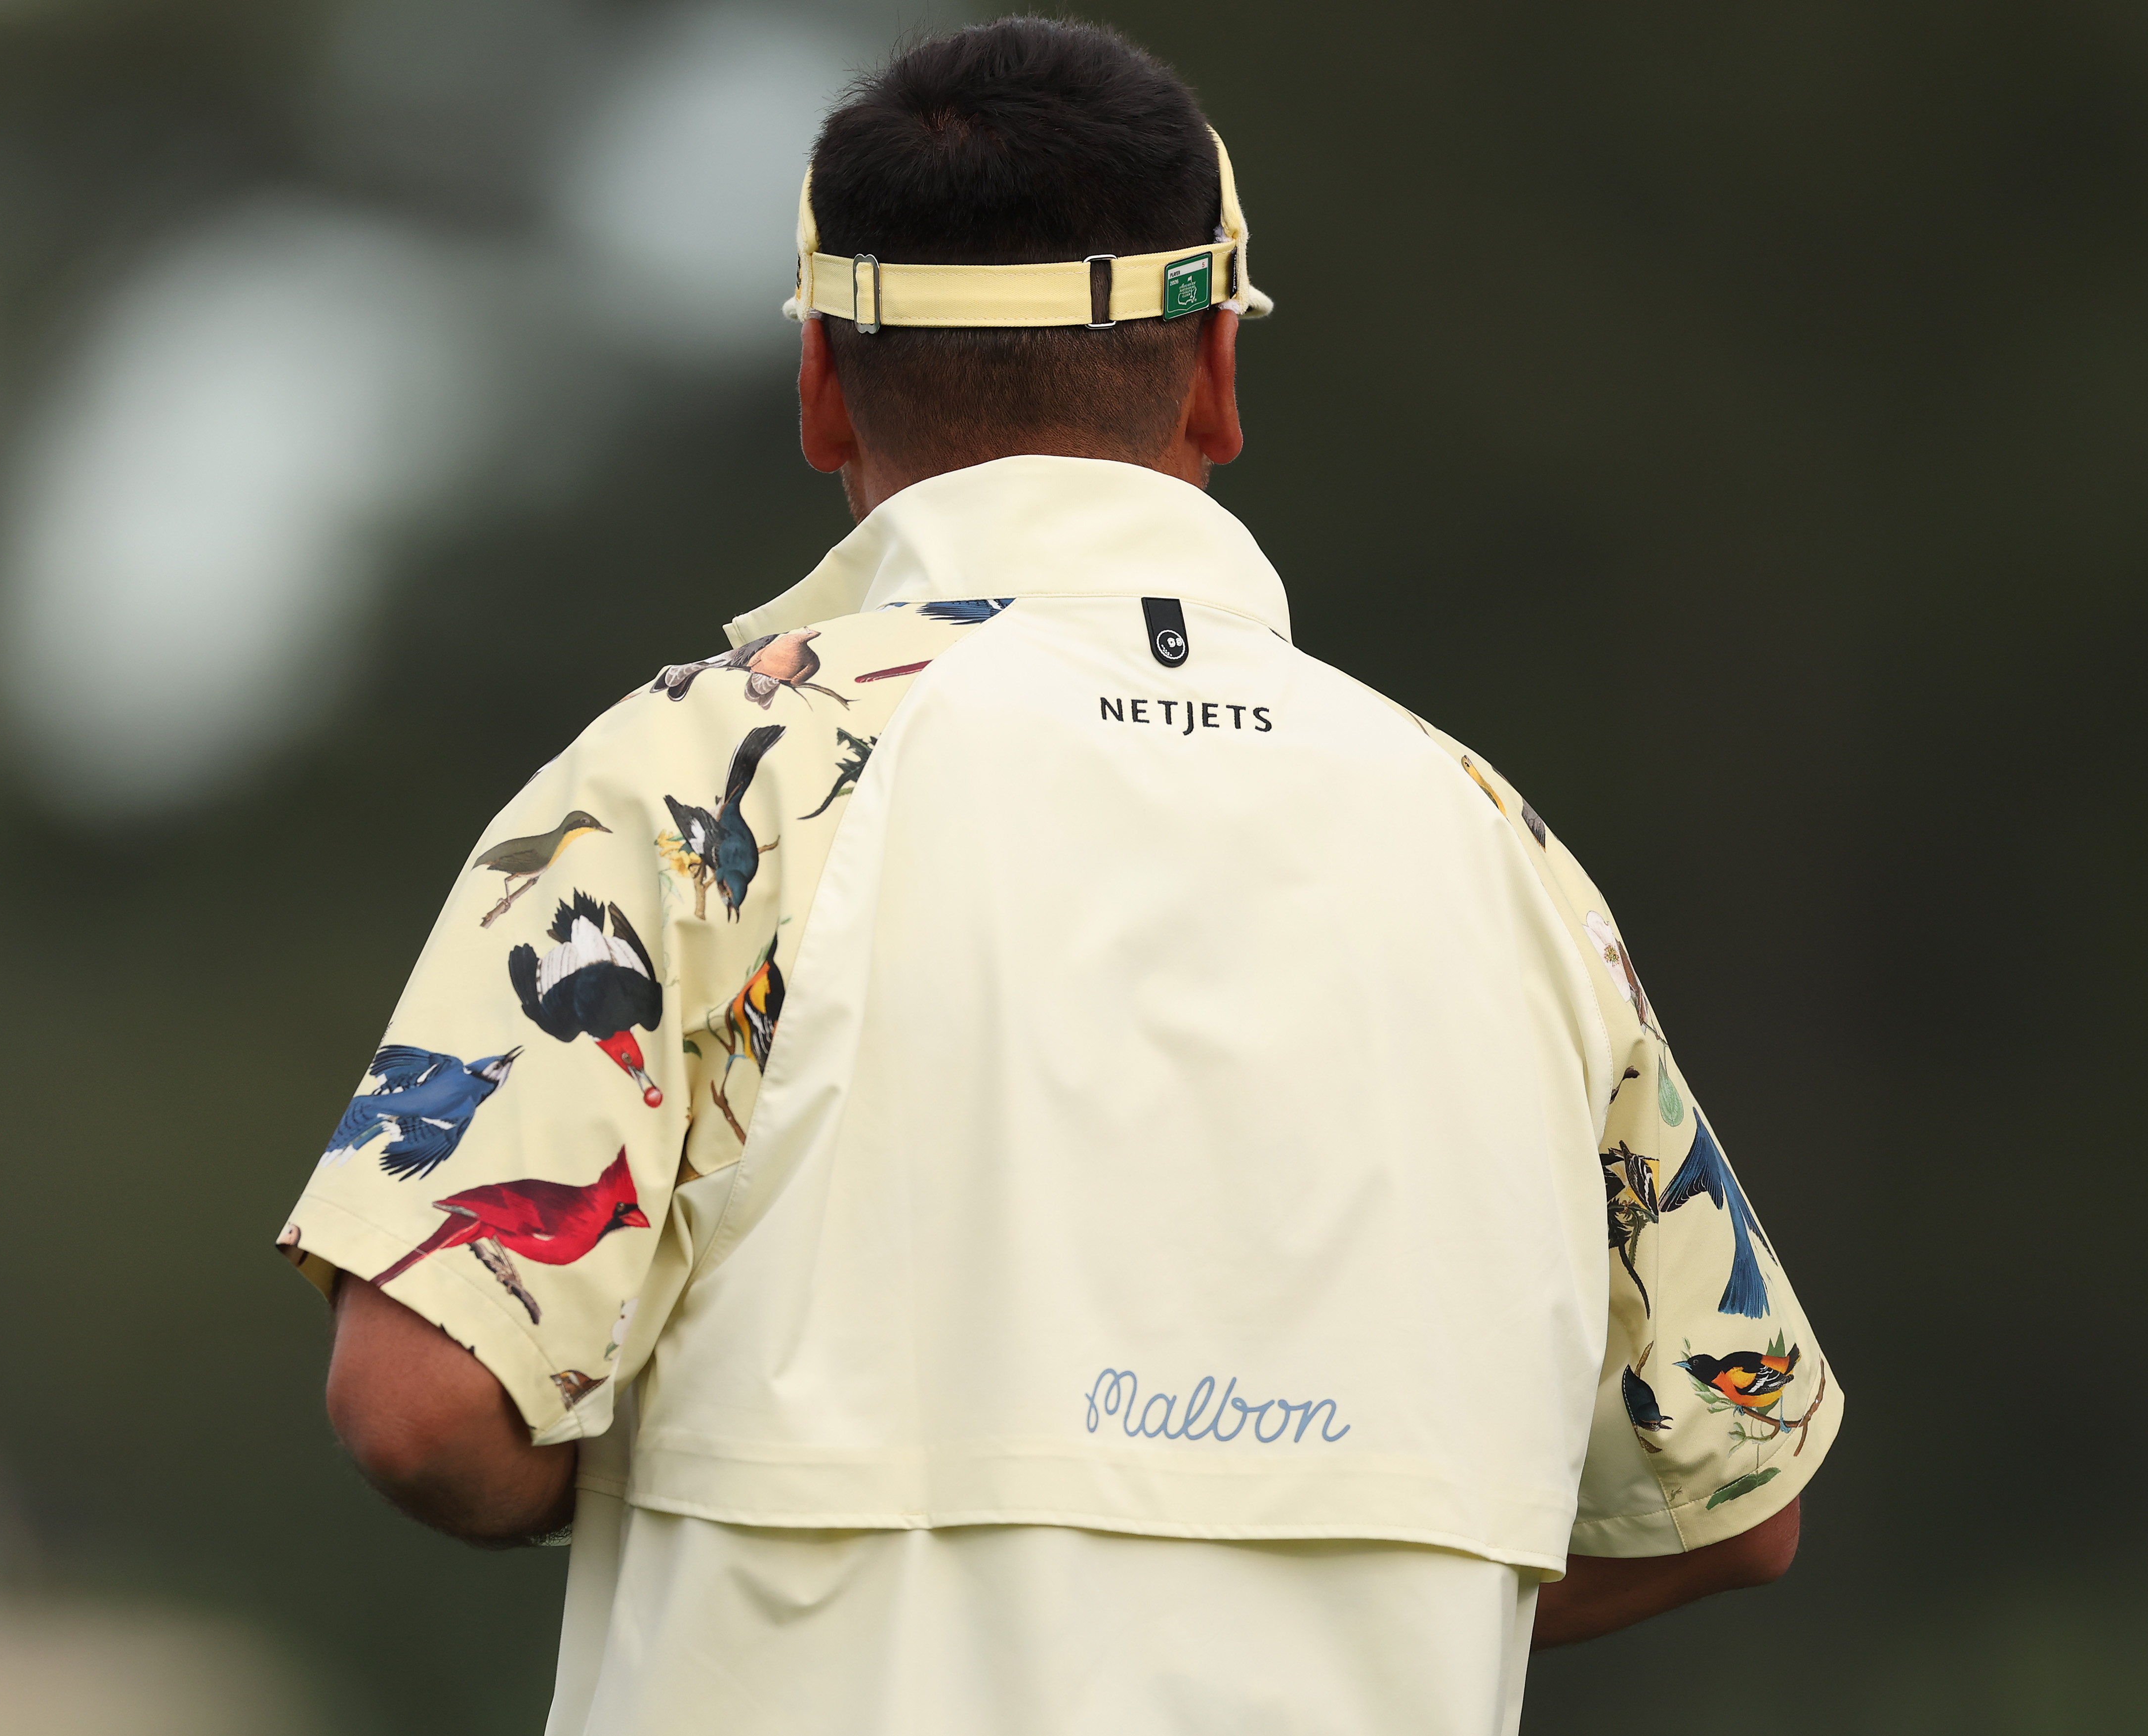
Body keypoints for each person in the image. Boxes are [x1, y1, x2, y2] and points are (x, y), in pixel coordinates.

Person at [280, 18, 1843, 1734]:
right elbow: (1734, 1483)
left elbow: (428, 1406)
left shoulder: (702, 780)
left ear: (820, 384)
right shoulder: (1494, 844)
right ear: (1214, 382)